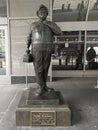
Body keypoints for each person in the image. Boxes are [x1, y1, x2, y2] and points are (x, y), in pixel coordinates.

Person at [26, 4, 62, 96]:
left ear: (47, 14)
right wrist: (27, 48)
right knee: (39, 69)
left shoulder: (51, 24)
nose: (43, 13)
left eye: (45, 12)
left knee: (46, 68)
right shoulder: (33, 25)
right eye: (41, 12)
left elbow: (59, 32)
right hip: (36, 49)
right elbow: (29, 37)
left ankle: (44, 86)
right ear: (37, 14)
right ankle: (40, 87)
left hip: (47, 48)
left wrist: (48, 23)